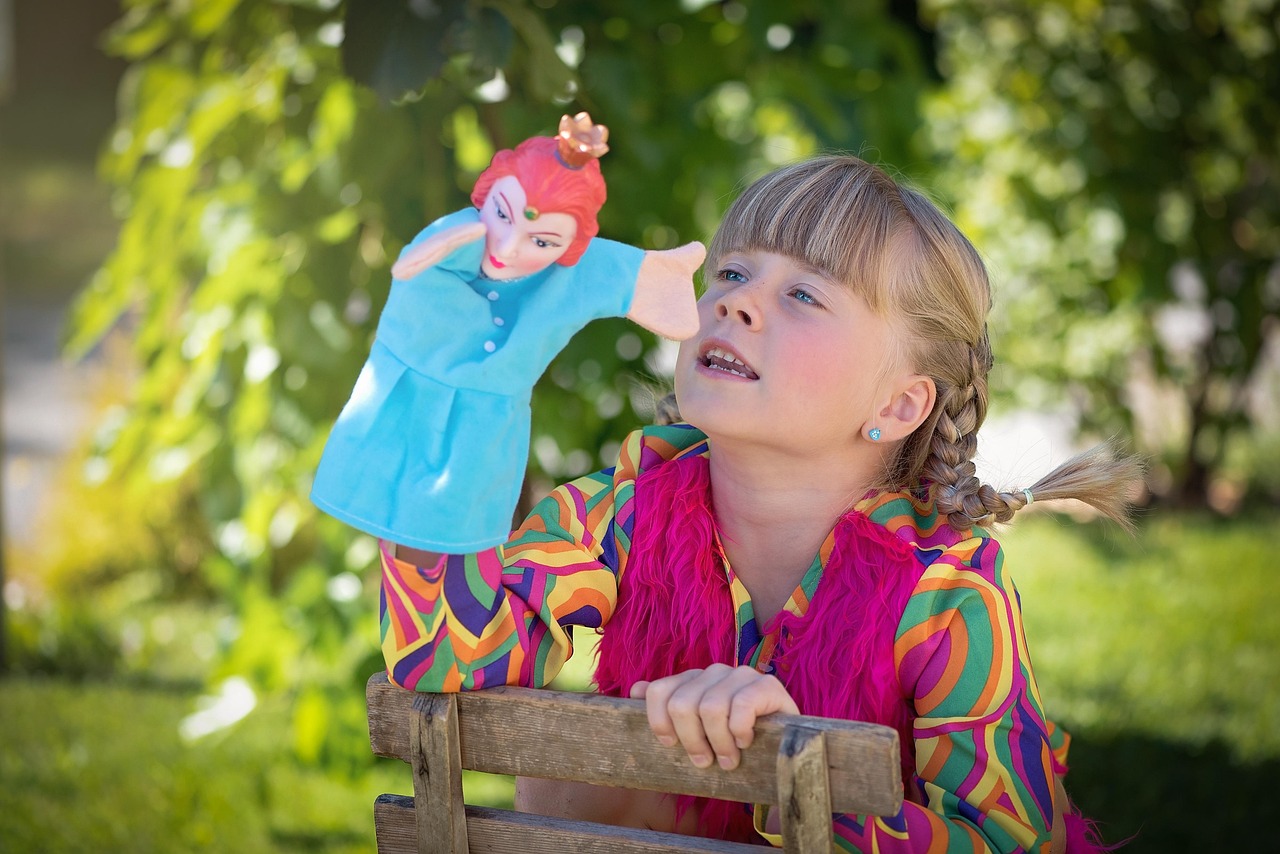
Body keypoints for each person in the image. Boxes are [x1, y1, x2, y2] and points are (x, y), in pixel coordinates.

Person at [378, 155, 1142, 852]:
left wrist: (791, 771)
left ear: (899, 404)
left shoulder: (946, 594)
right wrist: (443, 435)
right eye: (732, 272)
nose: (736, 303)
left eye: (804, 294)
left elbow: (1011, 842)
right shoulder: (622, 511)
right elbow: (448, 659)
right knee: (574, 793)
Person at [311, 113, 701, 553]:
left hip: (484, 433)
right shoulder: (453, 242)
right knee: (400, 539)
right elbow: (413, 262)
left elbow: (641, 280)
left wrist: (672, 283)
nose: (510, 246)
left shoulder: (573, 273)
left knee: (454, 550)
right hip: (403, 400)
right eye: (502, 214)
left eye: (542, 241)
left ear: (570, 247)